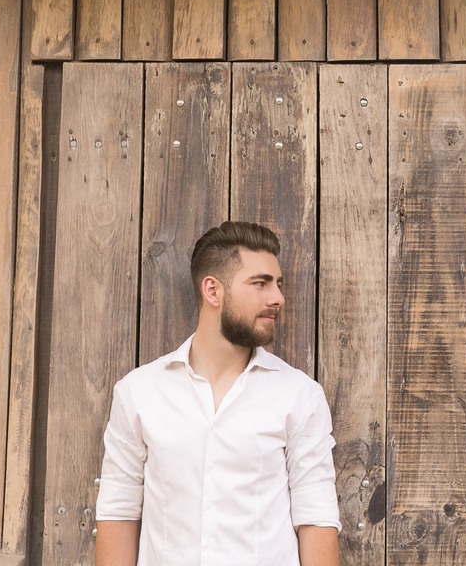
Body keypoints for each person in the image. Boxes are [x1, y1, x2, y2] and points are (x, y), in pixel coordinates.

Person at [95, 221, 341, 566]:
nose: (278, 298)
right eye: (261, 283)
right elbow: (118, 511)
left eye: (278, 284)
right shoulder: (138, 393)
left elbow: (316, 517)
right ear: (213, 291)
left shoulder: (299, 396)